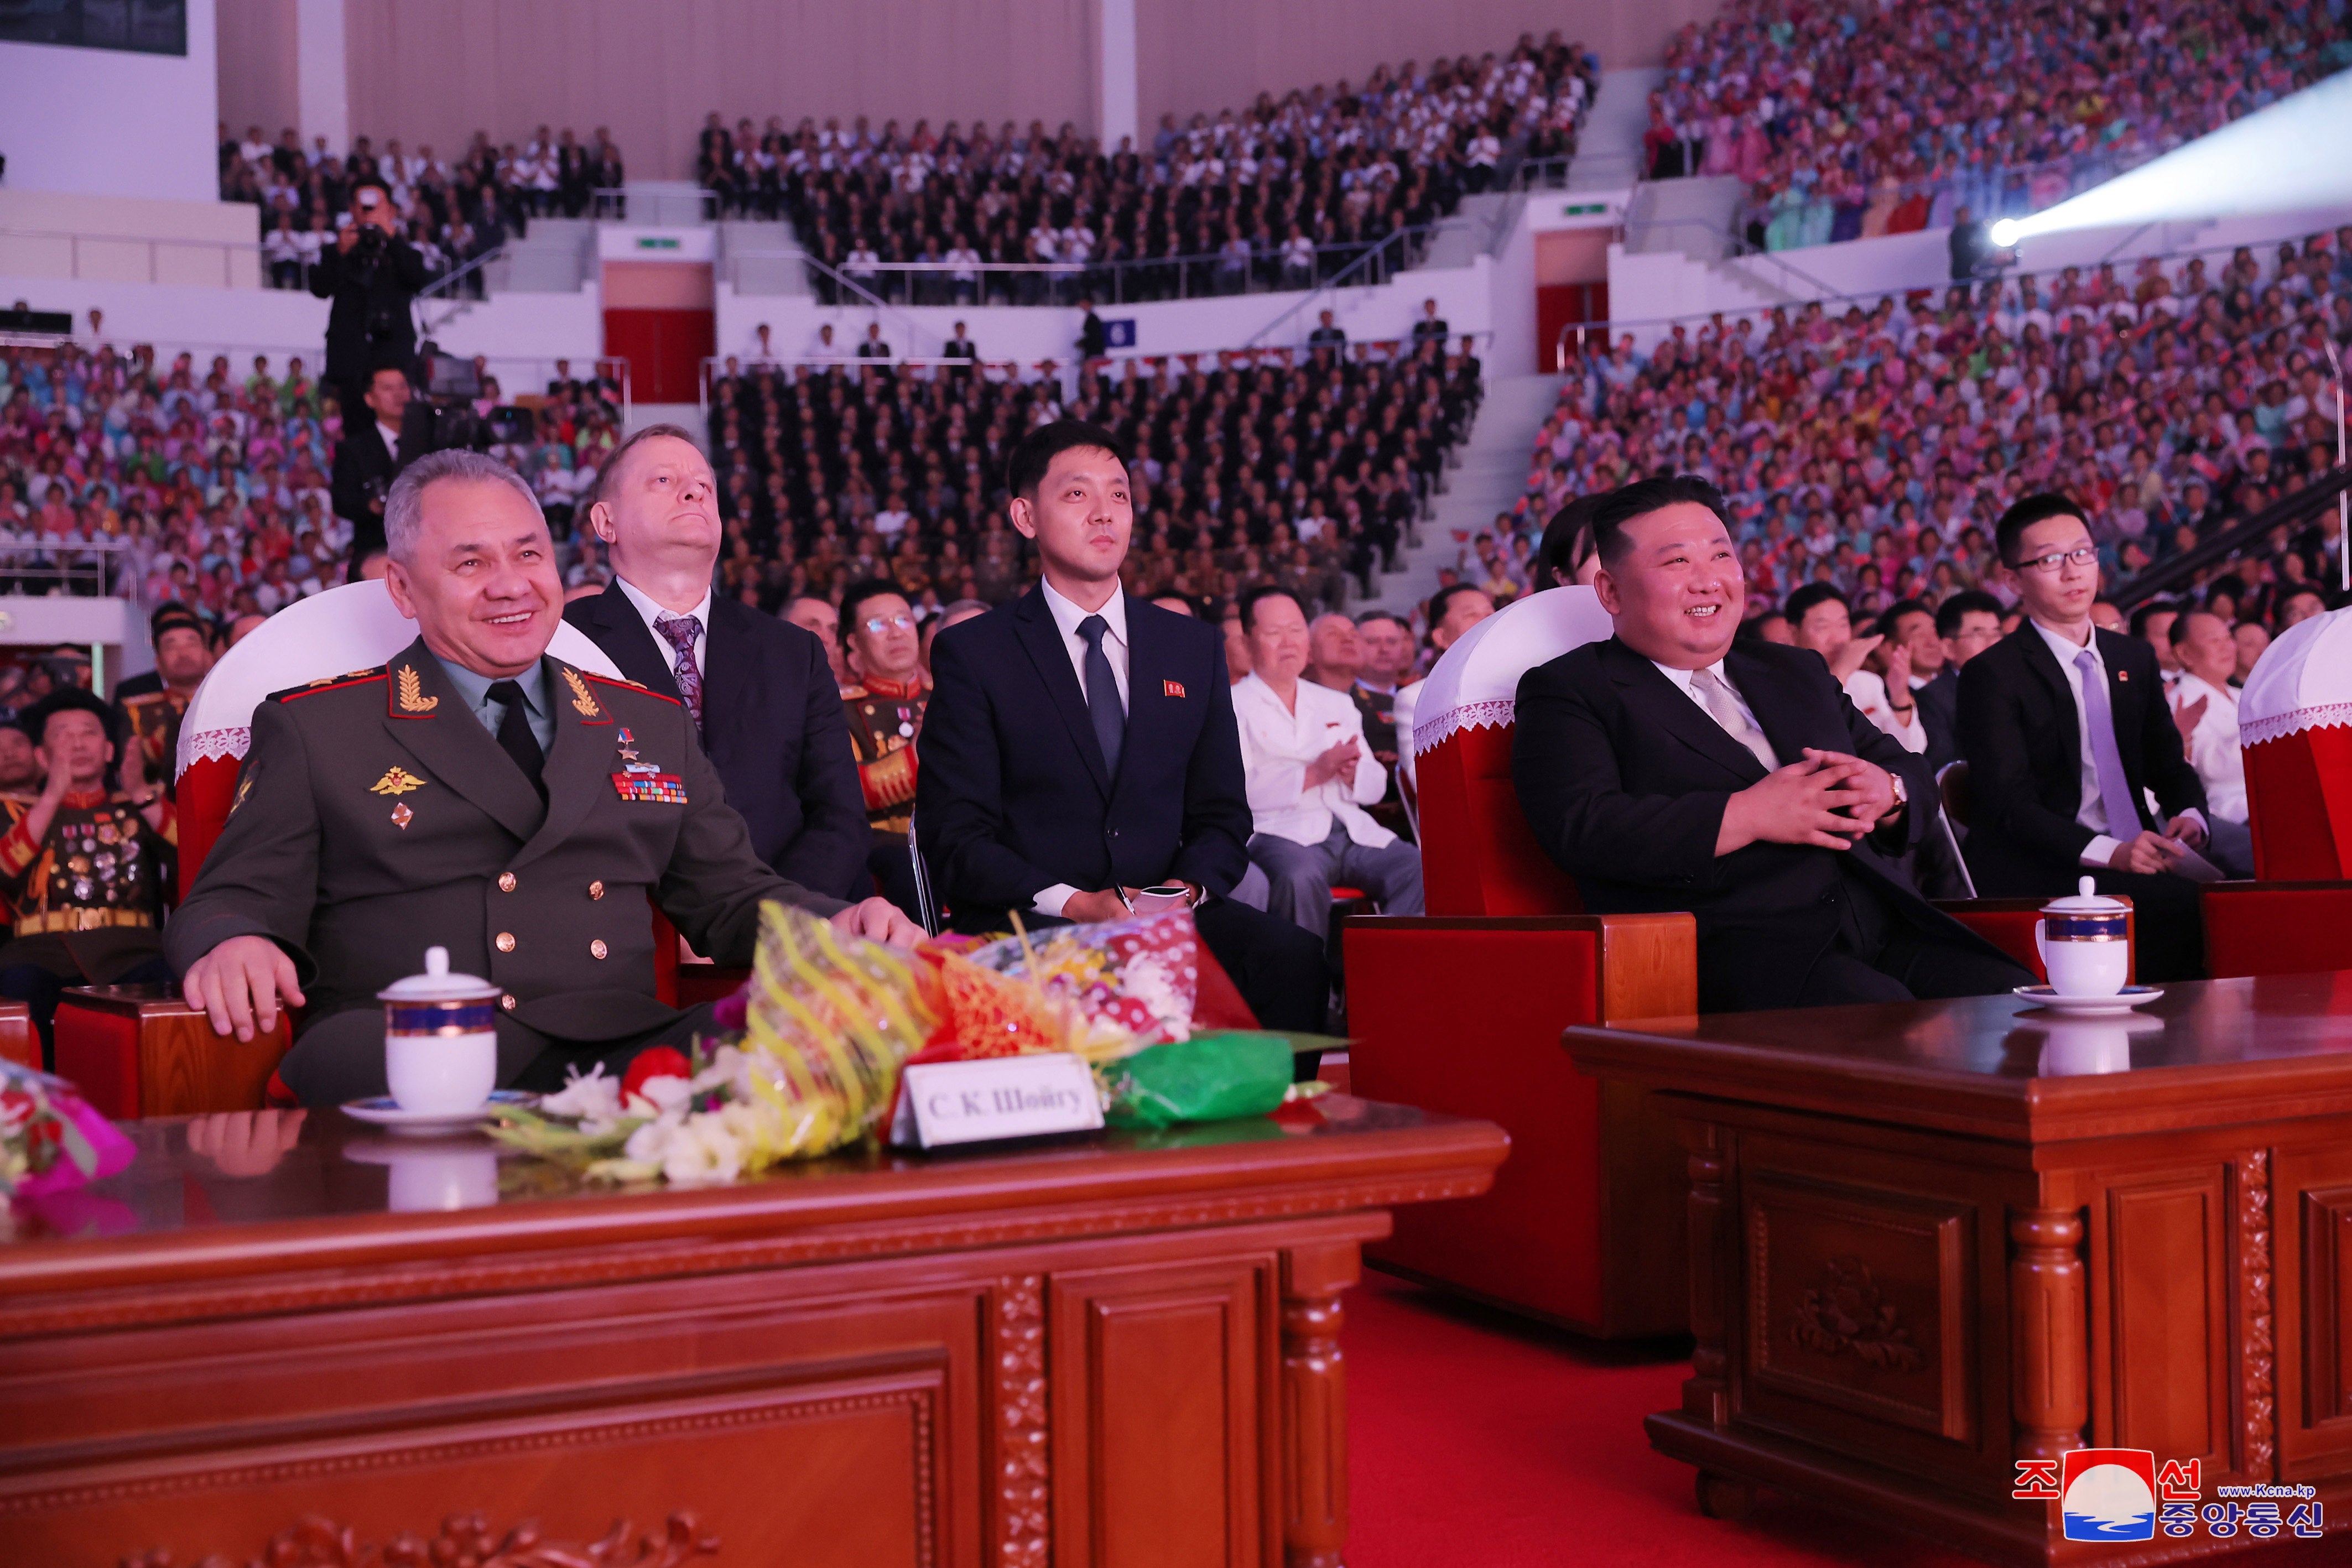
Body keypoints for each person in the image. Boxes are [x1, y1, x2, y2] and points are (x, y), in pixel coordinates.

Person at [168, 450, 917, 1106]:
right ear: (402, 588)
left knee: (841, 1034)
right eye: (471, 563)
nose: (510, 586)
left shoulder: (647, 723)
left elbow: (733, 897)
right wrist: (235, 939)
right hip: (417, 1047)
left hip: (620, 1045)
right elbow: (234, 893)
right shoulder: (320, 727)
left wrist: (837, 923)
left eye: (529, 556)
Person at [1512, 476, 2028, 1012]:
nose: (1707, 581)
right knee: (1889, 1024)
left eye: (1720, 556)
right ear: (1610, 591)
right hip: (1744, 954)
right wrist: (1746, 815)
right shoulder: (1571, 689)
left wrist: (1888, 792)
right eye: (1676, 563)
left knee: (2023, 1006)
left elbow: (1906, 769)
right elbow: (1583, 828)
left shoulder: (1792, 670)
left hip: (1889, 925)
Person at [915, 420, 1326, 1033]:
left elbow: (1221, 814)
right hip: (1037, 920)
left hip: (1166, 913)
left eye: (1119, 494)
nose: (1105, 513)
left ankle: (1277, 1127)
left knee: (1292, 959)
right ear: (1026, 516)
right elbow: (958, 837)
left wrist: (1178, 896)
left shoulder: (1191, 646)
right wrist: (1081, 906)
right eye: (1077, 495)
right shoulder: (976, 653)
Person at [564, 425, 870, 900]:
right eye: (663, 481)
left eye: (705, 486)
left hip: (784, 938)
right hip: (628, 937)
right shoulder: (561, 644)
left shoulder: (793, 652)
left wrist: (771, 920)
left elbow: (839, 815)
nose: (693, 491)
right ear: (606, 522)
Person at [1955, 494, 2210, 982]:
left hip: (2138, 853)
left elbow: (2168, 764)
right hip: (2042, 861)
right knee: (2180, 909)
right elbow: (2010, 804)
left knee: (2233, 893)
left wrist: (2190, 815)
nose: (2072, 571)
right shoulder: (1993, 674)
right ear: (2014, 579)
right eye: (2050, 559)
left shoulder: (2132, 656)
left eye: (2082, 553)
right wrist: (2110, 852)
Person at [1232, 587, 1423, 944]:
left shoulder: (1336, 703)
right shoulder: (1232, 704)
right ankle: (1308, 989)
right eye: (1274, 633)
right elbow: (1235, 790)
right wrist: (1314, 774)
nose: (1288, 642)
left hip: (1349, 829)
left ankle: (1390, 978)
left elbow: (1376, 786)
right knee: (1298, 877)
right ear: (1247, 642)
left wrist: (1354, 774)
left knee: (1416, 868)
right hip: (1278, 833)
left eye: (1296, 630)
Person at [0, 689, 178, 1063]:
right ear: (41, 755)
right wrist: (52, 796)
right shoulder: (13, 809)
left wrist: (143, 795)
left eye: (89, 732)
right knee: (19, 994)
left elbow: (191, 855)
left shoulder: (137, 803)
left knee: (172, 995)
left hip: (134, 949)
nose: (78, 742)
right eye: (63, 734)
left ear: (110, 750)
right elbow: (5, 868)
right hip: (41, 951)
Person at [837, 577, 930, 907]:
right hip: (886, 845)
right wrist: (917, 759)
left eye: (904, 619)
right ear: (854, 643)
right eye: (877, 624)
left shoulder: (951, 696)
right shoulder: (839, 708)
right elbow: (843, 791)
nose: (896, 632)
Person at [309, 182, 430, 417]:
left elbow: (417, 280)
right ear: (352, 209)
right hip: (349, 363)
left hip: (394, 360)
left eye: (376, 206)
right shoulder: (336, 251)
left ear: (391, 211)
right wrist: (342, 253)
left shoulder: (404, 253)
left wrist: (392, 239)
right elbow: (320, 288)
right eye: (363, 207)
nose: (369, 213)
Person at [1786, 583, 1924, 752]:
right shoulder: (1786, 685)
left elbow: (1910, 750)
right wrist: (1842, 671)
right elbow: (1813, 742)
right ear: (1793, 634)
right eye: (1822, 627)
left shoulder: (1867, 682)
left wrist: (1900, 696)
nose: (1837, 639)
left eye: (1843, 625)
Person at [2168, 610, 2256, 877]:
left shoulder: (2245, 694)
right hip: (2227, 812)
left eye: (2228, 638)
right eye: (2213, 640)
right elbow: (2209, 767)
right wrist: (2264, 736)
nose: (2227, 647)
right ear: (2184, 653)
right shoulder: (2179, 699)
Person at [114, 603, 215, 797]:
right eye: (171, 646)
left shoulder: (226, 703)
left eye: (191, 644)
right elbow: (130, 769)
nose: (183, 653)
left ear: (207, 656)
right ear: (158, 664)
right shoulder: (135, 709)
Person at [332, 362, 412, 576]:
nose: (398, 395)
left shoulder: (429, 444)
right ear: (369, 399)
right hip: (374, 553)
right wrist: (371, 506)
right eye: (387, 388)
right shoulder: (354, 448)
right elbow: (341, 501)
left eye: (402, 387)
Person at [1916, 590, 2003, 775]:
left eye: (1996, 634)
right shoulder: (1934, 698)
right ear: (1948, 648)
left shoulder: (2016, 685)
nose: (1992, 644)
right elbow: (1943, 768)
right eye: (1978, 634)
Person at [783, 593, 851, 691]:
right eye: (812, 626)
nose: (826, 638)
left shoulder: (845, 699)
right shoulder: (757, 690)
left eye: (832, 630)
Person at [1304, 613, 1360, 691]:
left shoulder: (1378, 702)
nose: (1348, 639)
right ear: (1309, 653)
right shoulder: (1292, 699)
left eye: (1354, 635)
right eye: (1333, 634)